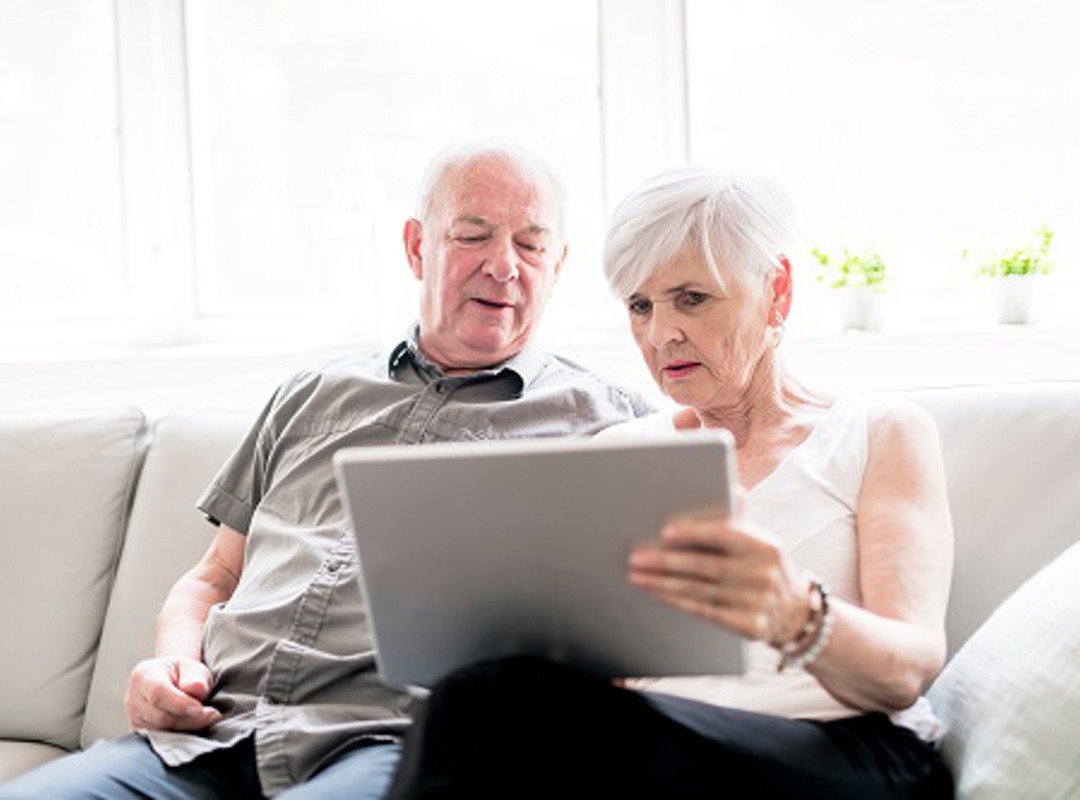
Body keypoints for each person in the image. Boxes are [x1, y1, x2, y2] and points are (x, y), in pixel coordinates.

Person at [0, 144, 650, 800]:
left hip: (393, 744)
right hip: (209, 735)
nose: (504, 265)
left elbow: (631, 644)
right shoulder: (314, 390)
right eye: (472, 235)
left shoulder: (607, 424)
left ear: (559, 264)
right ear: (416, 246)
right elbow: (211, 578)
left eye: (533, 246)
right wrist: (170, 659)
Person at [383, 166, 956, 798]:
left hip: (848, 752)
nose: (661, 334)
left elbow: (908, 669)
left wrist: (794, 614)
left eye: (692, 298)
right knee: (481, 696)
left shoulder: (878, 431)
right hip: (664, 752)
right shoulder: (621, 452)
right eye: (640, 306)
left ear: (778, 291)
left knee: (486, 704)